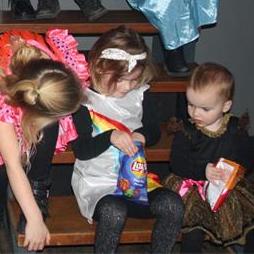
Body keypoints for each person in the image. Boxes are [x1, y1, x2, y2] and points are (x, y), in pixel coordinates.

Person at [0, 29, 88, 253]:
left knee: (49, 127)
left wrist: (33, 208)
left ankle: (38, 188)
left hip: (30, 73)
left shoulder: (54, 74)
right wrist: (34, 219)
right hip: (1, 76)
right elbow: (13, 164)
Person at [70, 26, 184, 254]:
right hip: (99, 185)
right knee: (114, 212)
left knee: (173, 204)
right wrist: (110, 136)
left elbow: (154, 131)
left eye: (134, 80)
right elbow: (82, 150)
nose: (127, 87)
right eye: (121, 79)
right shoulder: (84, 101)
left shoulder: (138, 95)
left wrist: (141, 134)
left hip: (137, 182)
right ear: (99, 67)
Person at [165, 63, 254, 253]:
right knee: (194, 231)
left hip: (226, 187)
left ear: (226, 106)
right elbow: (177, 163)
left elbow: (248, 158)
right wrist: (202, 170)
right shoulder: (187, 131)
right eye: (191, 105)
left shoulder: (235, 129)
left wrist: (235, 170)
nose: (196, 113)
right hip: (194, 187)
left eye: (205, 108)